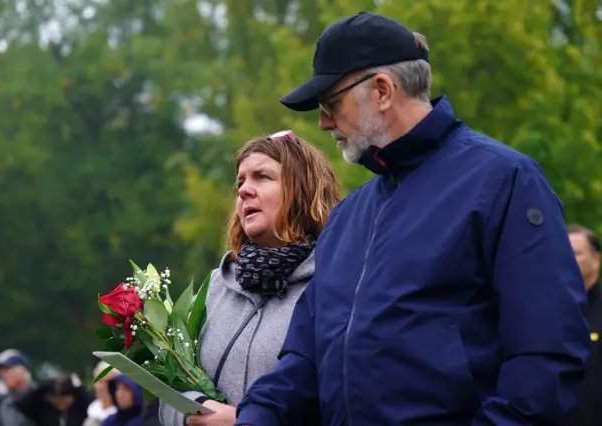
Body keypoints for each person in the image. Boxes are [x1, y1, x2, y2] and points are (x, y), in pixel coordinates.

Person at [234, 11, 591, 426]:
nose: (323, 121)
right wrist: (257, 416)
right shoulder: (347, 217)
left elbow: (546, 358)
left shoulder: (504, 182)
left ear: (382, 90)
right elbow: (305, 359)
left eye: (331, 103)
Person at [159, 131, 341, 426]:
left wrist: (247, 421)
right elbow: (168, 391)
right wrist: (191, 416)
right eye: (240, 181)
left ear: (303, 190)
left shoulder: (336, 285)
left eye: (262, 177)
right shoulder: (214, 288)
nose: (243, 190)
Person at [563, 224, 602, 426]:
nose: (568, 258)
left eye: (576, 253)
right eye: (563, 252)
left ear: (596, 260)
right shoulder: (547, 309)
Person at [13, 373, 92, 426]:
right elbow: (18, 401)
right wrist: (44, 386)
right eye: (57, 401)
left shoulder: (81, 405)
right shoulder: (42, 407)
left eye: (65, 401)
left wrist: (80, 387)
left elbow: (94, 402)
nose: (61, 405)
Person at [0, 349, 33, 426]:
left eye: (7, 369)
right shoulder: (1, 401)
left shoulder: (40, 399)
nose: (2, 375)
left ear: (23, 371)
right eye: (0, 370)